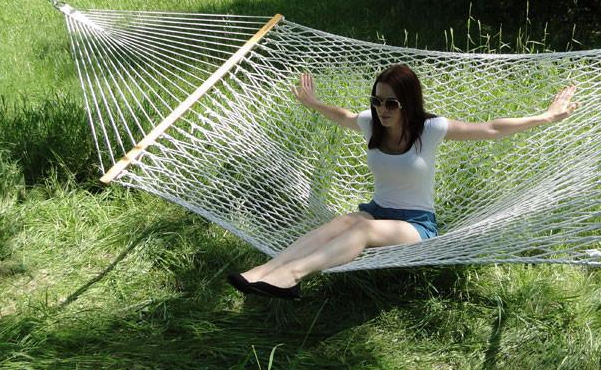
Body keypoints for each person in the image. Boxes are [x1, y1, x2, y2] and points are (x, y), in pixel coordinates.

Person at [227, 64, 578, 299]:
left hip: (416, 225)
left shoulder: (430, 129)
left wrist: (546, 117)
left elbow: (491, 128)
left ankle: (292, 276)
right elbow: (344, 116)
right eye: (377, 101)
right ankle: (266, 270)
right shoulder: (371, 124)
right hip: (377, 210)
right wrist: (315, 103)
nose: (383, 109)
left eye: (391, 103)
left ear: (407, 103)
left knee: (362, 230)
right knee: (345, 221)